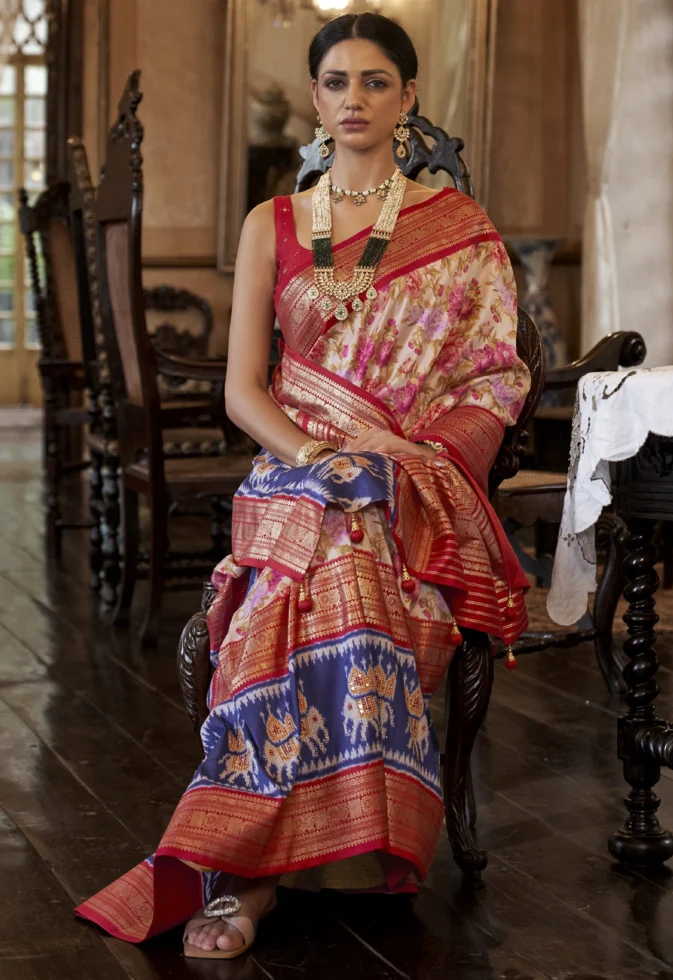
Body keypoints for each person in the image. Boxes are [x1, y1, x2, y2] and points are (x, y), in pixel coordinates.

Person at [75, 11, 531, 960]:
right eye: (336, 82)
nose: (354, 98)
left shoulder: (460, 230)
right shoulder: (270, 224)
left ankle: (263, 868)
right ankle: (261, 862)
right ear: (317, 98)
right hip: (290, 469)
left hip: (408, 484)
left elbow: (494, 377)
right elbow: (245, 390)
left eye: (374, 81)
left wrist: (396, 462)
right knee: (328, 531)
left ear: (408, 97)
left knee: (351, 541)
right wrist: (319, 459)